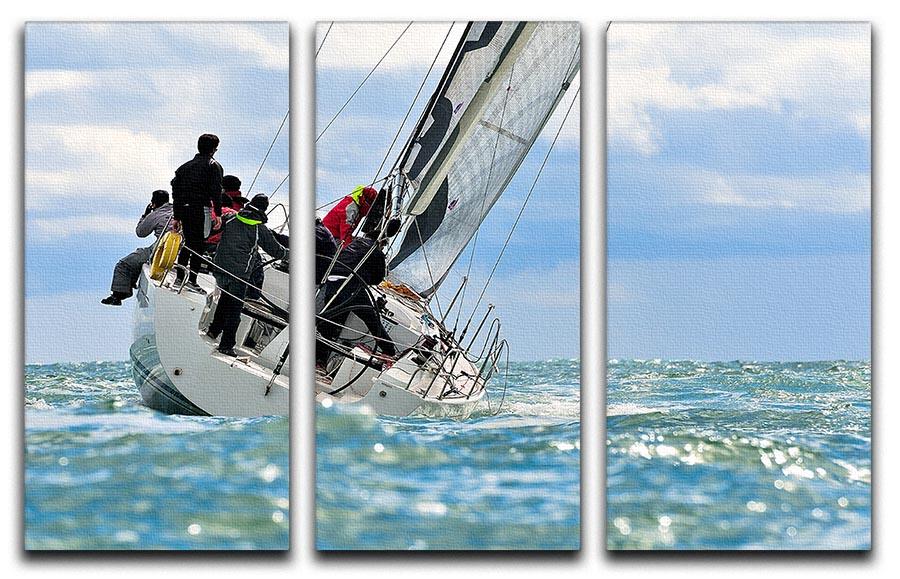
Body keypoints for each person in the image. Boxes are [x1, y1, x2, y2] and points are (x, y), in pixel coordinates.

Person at [206, 194, 288, 357]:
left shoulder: (231, 218)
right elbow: (276, 251)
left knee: (224, 300)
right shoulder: (259, 228)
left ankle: (213, 330)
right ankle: (226, 345)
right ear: (264, 209)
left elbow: (214, 228)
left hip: (220, 268)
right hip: (239, 274)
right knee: (234, 310)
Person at [315, 228, 396, 368]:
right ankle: (389, 350)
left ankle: (318, 360)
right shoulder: (376, 252)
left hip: (332, 283)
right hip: (350, 286)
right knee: (371, 318)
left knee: (329, 324)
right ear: (381, 242)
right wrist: (366, 277)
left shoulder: (353, 244)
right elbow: (378, 279)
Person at [171, 133, 223, 292]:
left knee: (188, 243)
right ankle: (192, 281)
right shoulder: (213, 166)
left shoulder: (183, 167)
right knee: (199, 244)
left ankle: (179, 278)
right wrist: (218, 213)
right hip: (201, 208)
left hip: (184, 208)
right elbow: (216, 191)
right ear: (214, 149)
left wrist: (177, 216)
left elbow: (176, 193)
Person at [101, 190, 173, 306]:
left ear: (153, 203)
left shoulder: (155, 215)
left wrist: (145, 215)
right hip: (182, 248)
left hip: (162, 247)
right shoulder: (177, 211)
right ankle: (130, 284)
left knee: (124, 264)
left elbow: (141, 232)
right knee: (140, 256)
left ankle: (118, 295)